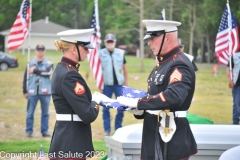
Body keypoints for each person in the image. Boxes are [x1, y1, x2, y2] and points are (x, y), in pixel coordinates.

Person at [117, 20, 197, 160]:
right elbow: (155, 97)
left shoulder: (179, 63)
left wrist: (139, 103)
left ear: (167, 37)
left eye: (153, 38)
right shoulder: (163, 63)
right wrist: (140, 111)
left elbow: (173, 96)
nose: (149, 43)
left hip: (171, 139)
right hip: (155, 135)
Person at [49, 29, 101, 159]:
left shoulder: (62, 69)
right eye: (85, 47)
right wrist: (96, 101)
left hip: (66, 140)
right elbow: (88, 115)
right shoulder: (70, 75)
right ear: (73, 49)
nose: (88, 51)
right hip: (71, 143)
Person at [99, 33, 128, 136]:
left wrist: (126, 84)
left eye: (112, 41)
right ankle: (107, 129)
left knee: (121, 107)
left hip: (119, 84)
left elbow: (125, 70)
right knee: (105, 107)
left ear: (115, 42)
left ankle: (118, 128)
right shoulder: (100, 53)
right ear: (105, 42)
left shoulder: (121, 53)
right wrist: (100, 85)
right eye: (108, 42)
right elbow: (98, 71)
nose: (110, 43)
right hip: (106, 84)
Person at [22, 44, 53, 138]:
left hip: (45, 92)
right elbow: (25, 78)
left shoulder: (49, 64)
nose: (40, 52)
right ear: (35, 51)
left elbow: (48, 73)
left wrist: (35, 70)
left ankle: (44, 131)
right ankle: (29, 131)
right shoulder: (29, 64)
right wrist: (24, 91)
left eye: (42, 50)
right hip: (32, 92)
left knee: (45, 113)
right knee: (30, 112)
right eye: (38, 50)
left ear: (44, 52)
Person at [226, 52, 240, 125]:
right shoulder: (234, 57)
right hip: (237, 85)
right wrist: (230, 80)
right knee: (236, 104)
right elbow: (228, 69)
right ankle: (235, 122)